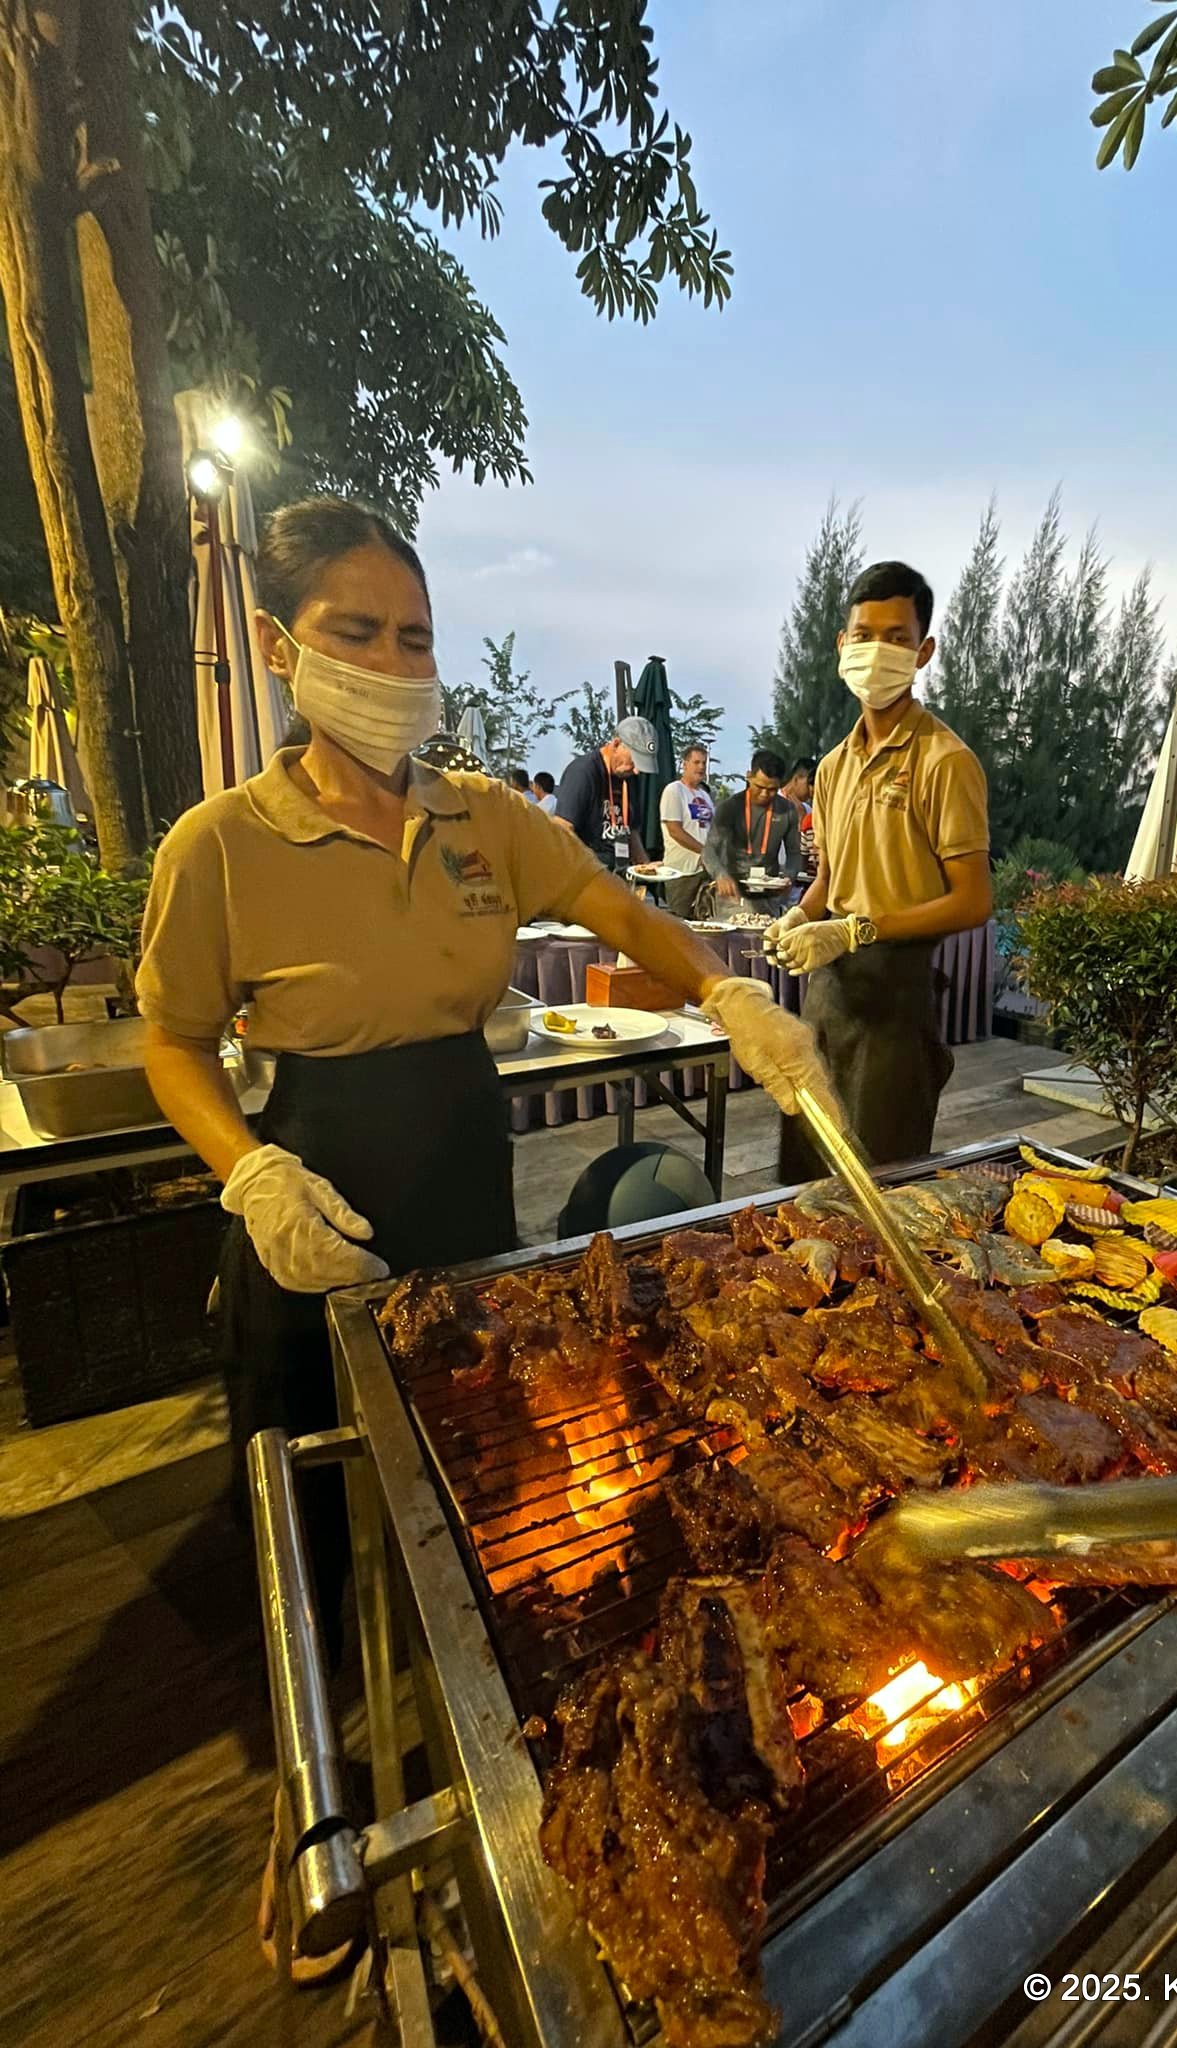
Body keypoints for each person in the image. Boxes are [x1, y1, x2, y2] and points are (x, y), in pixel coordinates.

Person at [135, 496, 837, 1742]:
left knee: (466, 1478)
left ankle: (460, 1742)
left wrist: (731, 990)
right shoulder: (220, 846)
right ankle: (315, 1797)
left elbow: (623, 915)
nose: (396, 667)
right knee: (306, 1530)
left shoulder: (486, 818)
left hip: (460, 1165)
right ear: (276, 641)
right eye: (359, 631)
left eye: (416, 637)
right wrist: (250, 1179)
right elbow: (173, 1042)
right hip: (310, 1180)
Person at [768, 559, 992, 1179]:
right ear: (842, 646)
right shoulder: (835, 767)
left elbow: (973, 900)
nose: (877, 651)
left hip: (898, 992)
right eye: (864, 635)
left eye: (896, 638)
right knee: (804, 1169)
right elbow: (832, 880)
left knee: (879, 1184)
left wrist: (858, 929)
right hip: (827, 993)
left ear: (923, 652)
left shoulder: (945, 761)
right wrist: (799, 916)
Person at [554, 716, 655, 869]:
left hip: (620, 871)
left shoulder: (629, 776)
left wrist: (645, 865)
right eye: (634, 761)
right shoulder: (583, 772)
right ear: (616, 744)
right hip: (588, 872)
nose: (637, 770)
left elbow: (631, 830)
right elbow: (563, 829)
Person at [702, 749, 802, 903]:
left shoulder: (787, 810)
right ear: (749, 776)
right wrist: (720, 874)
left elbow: (794, 853)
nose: (764, 794)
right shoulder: (730, 807)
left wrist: (789, 877)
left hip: (770, 894)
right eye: (759, 787)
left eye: (771, 790)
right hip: (733, 892)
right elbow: (709, 850)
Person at [659, 743, 717, 919]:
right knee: (680, 922)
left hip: (704, 870)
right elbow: (675, 830)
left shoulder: (705, 795)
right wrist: (704, 851)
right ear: (684, 764)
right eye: (696, 762)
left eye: (704, 763)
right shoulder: (674, 790)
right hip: (681, 872)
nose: (701, 767)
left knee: (704, 921)